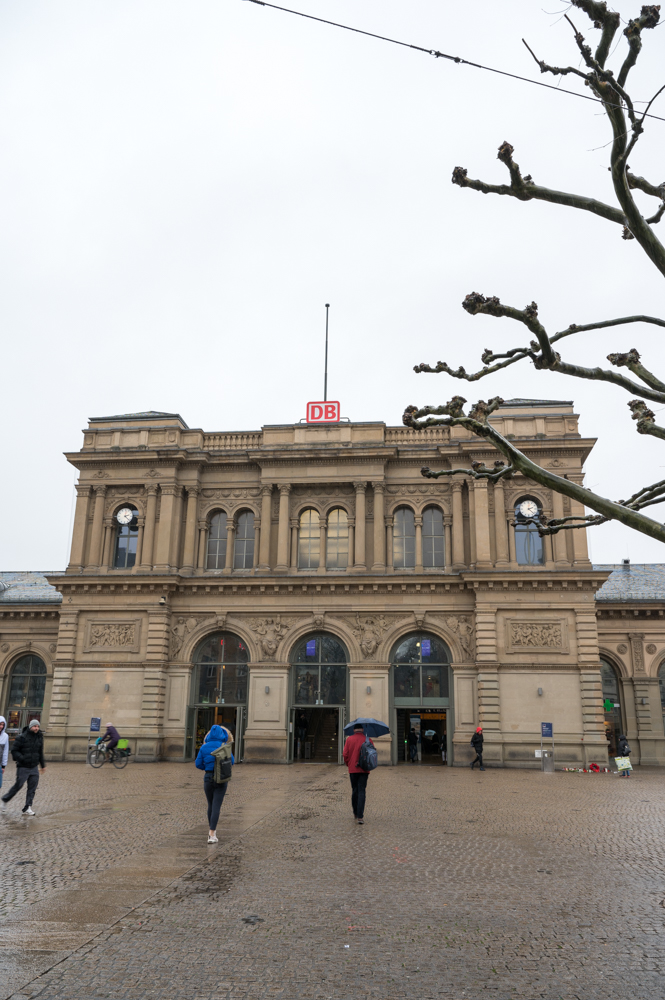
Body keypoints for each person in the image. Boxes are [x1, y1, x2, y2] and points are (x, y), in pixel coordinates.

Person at [195, 724, 234, 844]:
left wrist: (207, 768)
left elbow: (198, 764)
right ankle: (212, 834)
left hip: (208, 778)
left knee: (210, 805)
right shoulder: (224, 746)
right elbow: (232, 762)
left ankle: (212, 831)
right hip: (221, 779)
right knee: (216, 806)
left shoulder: (204, 747)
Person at [1, 718, 46, 815]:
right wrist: (22, 758)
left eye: (38, 726)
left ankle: (28, 807)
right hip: (23, 767)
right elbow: (14, 751)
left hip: (34, 767)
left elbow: (40, 752)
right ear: (30, 727)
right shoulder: (21, 737)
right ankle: (5, 799)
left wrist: (43, 765)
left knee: (32, 788)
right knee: (18, 785)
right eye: (35, 726)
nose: (36, 728)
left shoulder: (39, 737)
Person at [343, 723, 374, 825]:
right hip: (364, 769)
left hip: (353, 769)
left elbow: (345, 754)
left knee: (354, 790)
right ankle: (360, 817)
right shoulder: (368, 740)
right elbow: (373, 754)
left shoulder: (349, 739)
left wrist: (349, 764)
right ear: (362, 730)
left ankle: (355, 813)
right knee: (362, 791)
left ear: (354, 730)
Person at [0, 716, 8, 791]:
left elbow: (5, 751)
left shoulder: (5, 736)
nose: (1, 726)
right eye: (0, 724)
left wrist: (3, 766)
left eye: (3, 724)